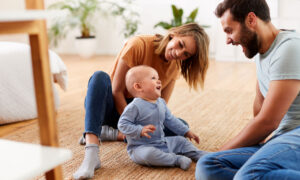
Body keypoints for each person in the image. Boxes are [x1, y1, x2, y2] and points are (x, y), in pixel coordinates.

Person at [73, 23, 210, 179]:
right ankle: (92, 152)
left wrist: (179, 131)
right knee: (99, 77)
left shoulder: (174, 67)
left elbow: (160, 107)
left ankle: (112, 133)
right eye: (180, 44)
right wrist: (133, 126)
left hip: (137, 117)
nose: (179, 54)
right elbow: (116, 91)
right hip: (109, 107)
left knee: (181, 126)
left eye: (186, 54)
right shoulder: (138, 44)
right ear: (174, 34)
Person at [195, 0, 300, 180]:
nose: (228, 40)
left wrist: (224, 150)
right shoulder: (263, 52)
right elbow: (260, 108)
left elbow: (268, 122)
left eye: (229, 30)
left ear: (251, 19)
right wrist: (253, 148)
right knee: (208, 164)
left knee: (249, 175)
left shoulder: (289, 48)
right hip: (281, 139)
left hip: (296, 135)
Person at [118, 65, 207, 170]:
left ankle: (197, 154)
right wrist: (139, 130)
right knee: (148, 155)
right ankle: (176, 159)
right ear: (138, 87)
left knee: (181, 141)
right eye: (153, 78)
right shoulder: (134, 106)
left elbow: (171, 120)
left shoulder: (161, 102)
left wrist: (186, 131)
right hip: (141, 147)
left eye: (158, 78)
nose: (159, 81)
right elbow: (122, 125)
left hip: (162, 142)